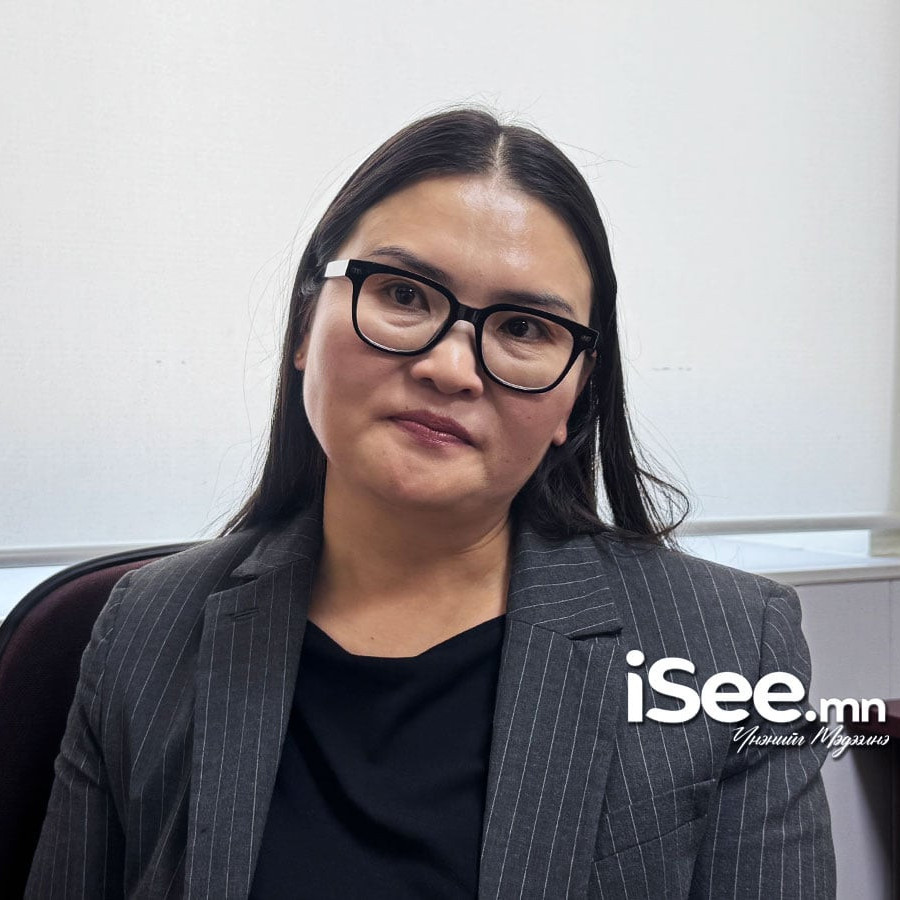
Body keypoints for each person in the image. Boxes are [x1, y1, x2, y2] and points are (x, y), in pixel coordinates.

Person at [26, 108, 835, 899]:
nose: (450, 368)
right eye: (404, 294)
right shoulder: (145, 627)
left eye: (525, 327)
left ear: (576, 395)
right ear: (305, 324)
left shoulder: (731, 651)